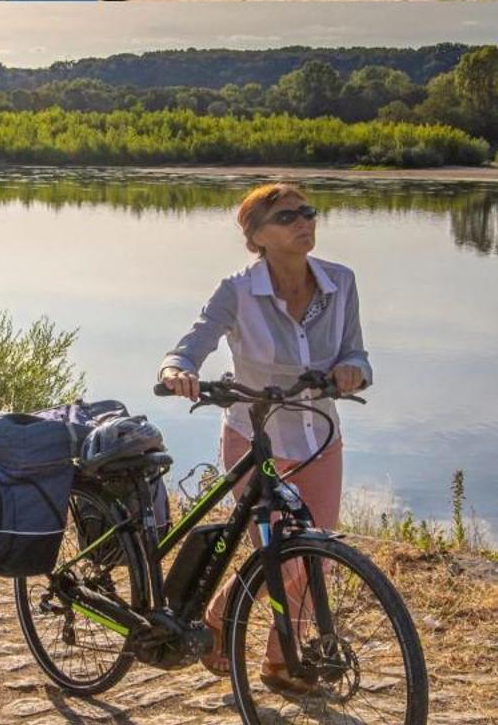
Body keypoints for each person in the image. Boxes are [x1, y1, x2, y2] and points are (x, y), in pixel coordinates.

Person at [158, 184, 371, 695]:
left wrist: (350, 371)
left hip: (320, 438)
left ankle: (271, 658)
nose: (304, 222)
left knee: (311, 556)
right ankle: (239, 629)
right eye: (287, 217)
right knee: (285, 557)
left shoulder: (341, 282)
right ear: (256, 237)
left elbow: (358, 354)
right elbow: (195, 341)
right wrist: (178, 369)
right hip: (255, 437)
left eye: (307, 212)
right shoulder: (237, 290)